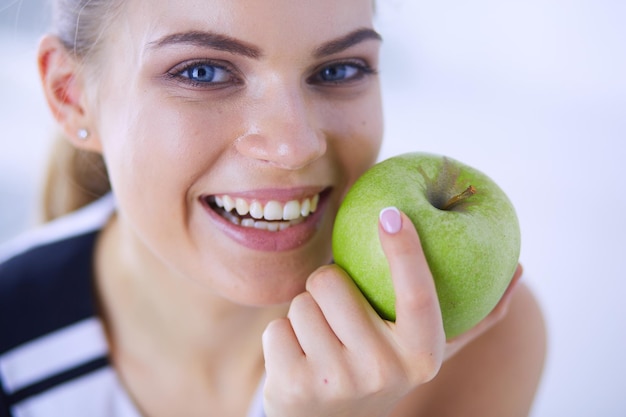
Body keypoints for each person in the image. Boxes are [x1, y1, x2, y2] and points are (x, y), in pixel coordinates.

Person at [0, 0, 546, 416]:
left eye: (339, 70)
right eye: (203, 72)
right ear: (71, 94)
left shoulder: (462, 342)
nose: (293, 146)